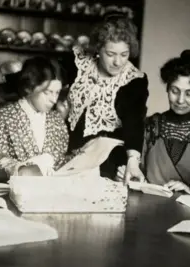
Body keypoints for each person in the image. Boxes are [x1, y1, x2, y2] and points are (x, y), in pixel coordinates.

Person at [116, 50, 190, 197]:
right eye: (175, 91)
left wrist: (189, 191)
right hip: (147, 207)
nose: (180, 100)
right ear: (167, 88)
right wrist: (125, 175)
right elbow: (137, 174)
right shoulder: (149, 126)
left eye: (189, 93)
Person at [66, 13, 149, 181]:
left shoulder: (134, 81)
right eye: (111, 54)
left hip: (109, 164)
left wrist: (133, 162)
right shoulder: (78, 65)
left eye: (124, 54)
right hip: (69, 156)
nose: (118, 62)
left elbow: (134, 122)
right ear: (98, 48)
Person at [0, 56, 68, 175]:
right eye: (48, 92)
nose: (54, 100)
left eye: (57, 93)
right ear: (29, 88)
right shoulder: (0, 119)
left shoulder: (57, 121)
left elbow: (61, 162)